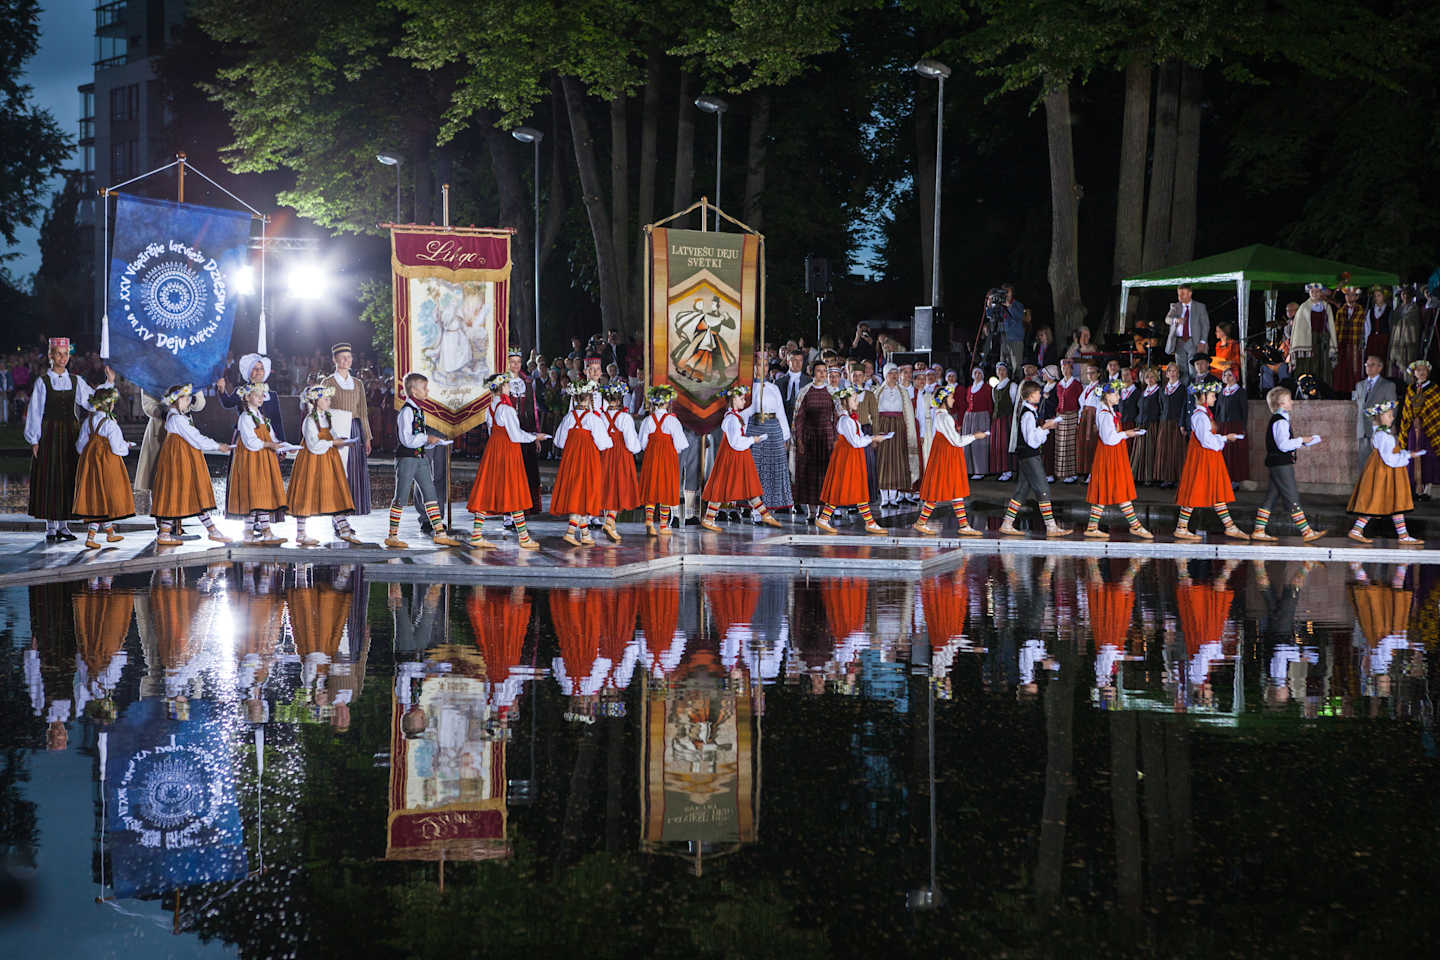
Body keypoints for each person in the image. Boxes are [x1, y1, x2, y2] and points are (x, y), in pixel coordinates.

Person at [28, 338, 112, 541]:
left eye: (65, 354)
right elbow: (35, 411)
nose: (63, 358)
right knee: (50, 476)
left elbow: (92, 402)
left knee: (67, 475)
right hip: (49, 433)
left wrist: (108, 383)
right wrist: (34, 439)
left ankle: (64, 525)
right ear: (51, 356)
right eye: (58, 354)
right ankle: (50, 525)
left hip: (70, 434)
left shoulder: (75, 381)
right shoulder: (43, 382)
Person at [465, 374, 546, 550]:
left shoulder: (490, 407)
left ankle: (477, 535)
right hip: (508, 451)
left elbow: (491, 430)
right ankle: (523, 537)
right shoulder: (506, 409)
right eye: (507, 385)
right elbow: (515, 435)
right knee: (513, 489)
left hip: (493, 451)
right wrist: (534, 436)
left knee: (488, 489)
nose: (509, 387)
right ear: (501, 388)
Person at [387, 373, 463, 550]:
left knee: (430, 494)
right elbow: (406, 439)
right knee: (401, 496)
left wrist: (430, 442)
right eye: (424, 387)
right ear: (413, 390)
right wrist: (426, 437)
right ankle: (392, 535)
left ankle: (440, 533)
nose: (427, 390)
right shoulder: (406, 411)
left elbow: (418, 440)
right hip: (406, 459)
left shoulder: (419, 410)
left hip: (420, 457)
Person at [151, 384, 234, 546]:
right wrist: (217, 446)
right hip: (181, 462)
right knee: (185, 493)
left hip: (183, 460)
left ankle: (208, 530)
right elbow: (196, 438)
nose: (188, 401)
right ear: (175, 400)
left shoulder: (176, 417)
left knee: (184, 494)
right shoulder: (177, 419)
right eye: (184, 398)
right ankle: (169, 533)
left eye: (189, 398)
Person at [288, 383, 362, 547]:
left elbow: (332, 435)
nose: (329, 401)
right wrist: (332, 442)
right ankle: (301, 534)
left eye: (329, 399)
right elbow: (313, 443)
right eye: (326, 399)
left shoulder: (326, 417)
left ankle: (344, 528)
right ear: (316, 401)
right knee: (306, 493)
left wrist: (341, 441)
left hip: (328, 460)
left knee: (333, 491)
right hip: (312, 460)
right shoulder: (309, 420)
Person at [699, 386, 782, 531]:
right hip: (732, 457)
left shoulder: (735, 417)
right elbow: (735, 442)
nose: (744, 401)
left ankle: (764, 514)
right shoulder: (732, 419)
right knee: (723, 486)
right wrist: (752, 440)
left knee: (749, 485)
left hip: (739, 456)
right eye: (742, 398)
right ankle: (709, 518)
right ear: (733, 399)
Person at [1173, 380, 1248, 541]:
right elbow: (1206, 440)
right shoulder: (1200, 416)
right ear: (1203, 397)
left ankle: (1230, 526)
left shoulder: (1205, 414)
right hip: (1203, 458)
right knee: (1195, 489)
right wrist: (1224, 439)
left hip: (1209, 457)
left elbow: (1209, 437)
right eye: (1212, 395)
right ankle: (1181, 527)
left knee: (1216, 490)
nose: (1215, 398)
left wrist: (1224, 438)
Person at [1250, 386, 1326, 543]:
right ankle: (1306, 531)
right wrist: (1303, 440)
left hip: (1277, 463)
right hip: (1281, 464)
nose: (1292, 402)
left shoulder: (1281, 419)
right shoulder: (1280, 421)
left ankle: (1259, 529)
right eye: (1289, 399)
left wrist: (1306, 441)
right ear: (1280, 403)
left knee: (1271, 496)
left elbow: (1285, 443)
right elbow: (1283, 445)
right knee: (1292, 496)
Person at [1082, 380, 1153, 540]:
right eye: (1116, 393)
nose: (1119, 396)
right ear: (1107, 396)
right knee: (1117, 488)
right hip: (1109, 454)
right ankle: (1135, 526)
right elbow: (1109, 439)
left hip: (1113, 454)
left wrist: (1128, 433)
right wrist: (1127, 434)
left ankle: (1093, 527)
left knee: (1111, 488)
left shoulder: (1109, 412)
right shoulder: (1105, 414)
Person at [998, 382, 1070, 537]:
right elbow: (1031, 440)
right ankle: (1051, 527)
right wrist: (1045, 427)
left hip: (1027, 456)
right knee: (1043, 489)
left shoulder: (1030, 412)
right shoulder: (1028, 414)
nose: (1039, 395)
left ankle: (1007, 523)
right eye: (1037, 393)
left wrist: (1045, 427)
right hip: (1029, 456)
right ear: (1030, 396)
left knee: (1022, 490)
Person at [1347, 400, 1424, 545]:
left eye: (1392, 415)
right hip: (1385, 472)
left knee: (1393, 501)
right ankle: (1357, 531)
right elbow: (1388, 458)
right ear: (1380, 417)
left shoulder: (1382, 433)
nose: (1392, 418)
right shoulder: (1383, 436)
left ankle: (1402, 535)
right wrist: (1407, 456)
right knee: (1382, 501)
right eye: (1389, 415)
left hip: (1386, 472)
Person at [913, 383, 984, 536]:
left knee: (955, 489)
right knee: (939, 489)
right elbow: (956, 441)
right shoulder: (944, 417)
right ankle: (921, 522)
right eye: (951, 398)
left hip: (948, 456)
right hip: (946, 457)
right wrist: (975, 436)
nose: (953, 400)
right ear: (944, 399)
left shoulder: (942, 416)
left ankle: (964, 525)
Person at [814, 386, 887, 535]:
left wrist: (872, 437)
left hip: (851, 457)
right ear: (845, 402)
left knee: (853, 488)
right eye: (854, 399)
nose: (857, 402)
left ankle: (825, 518)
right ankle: (869, 523)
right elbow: (856, 442)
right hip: (847, 459)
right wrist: (873, 438)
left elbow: (858, 439)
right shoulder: (846, 420)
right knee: (847, 488)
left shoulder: (850, 420)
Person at [224, 382, 289, 545]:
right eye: (257, 394)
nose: (261, 398)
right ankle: (257, 532)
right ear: (247, 397)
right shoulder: (245, 417)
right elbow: (250, 442)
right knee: (254, 494)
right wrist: (269, 445)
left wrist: (281, 446)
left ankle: (256, 532)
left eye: (262, 395)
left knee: (260, 495)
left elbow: (271, 436)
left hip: (263, 458)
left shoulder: (261, 416)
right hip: (251, 459)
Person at [551, 381, 613, 546]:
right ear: (589, 398)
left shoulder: (568, 417)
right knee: (584, 493)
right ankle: (571, 531)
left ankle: (585, 533)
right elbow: (604, 443)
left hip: (571, 461)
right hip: (588, 461)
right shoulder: (593, 419)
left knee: (577, 493)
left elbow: (559, 442)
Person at [72, 386, 134, 549]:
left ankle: (109, 533)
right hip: (106, 465)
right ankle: (92, 537)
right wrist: (126, 446)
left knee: (97, 498)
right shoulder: (110, 424)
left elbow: (80, 446)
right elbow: (117, 448)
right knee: (107, 497)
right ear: (110, 405)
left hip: (90, 465)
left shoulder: (88, 422)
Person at [321, 342, 373, 515]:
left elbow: (363, 411)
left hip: (355, 428)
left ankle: (352, 509)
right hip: (337, 430)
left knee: (354, 469)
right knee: (339, 470)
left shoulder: (357, 383)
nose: (346, 360)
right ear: (334, 359)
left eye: (349, 357)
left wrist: (367, 437)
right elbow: (323, 411)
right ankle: (338, 512)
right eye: (342, 357)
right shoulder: (328, 382)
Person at [743, 354, 794, 515]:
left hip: (773, 430)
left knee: (772, 470)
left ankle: (769, 507)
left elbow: (780, 412)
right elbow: (744, 414)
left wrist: (786, 436)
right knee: (756, 470)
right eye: (759, 364)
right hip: (755, 428)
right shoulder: (747, 388)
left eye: (766, 365)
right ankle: (756, 510)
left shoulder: (773, 388)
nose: (763, 368)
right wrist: (742, 435)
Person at [637, 385, 687, 536]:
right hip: (667, 457)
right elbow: (681, 444)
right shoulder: (672, 421)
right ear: (668, 402)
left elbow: (642, 444)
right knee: (665, 487)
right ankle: (663, 525)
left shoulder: (647, 420)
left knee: (651, 486)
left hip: (651, 457)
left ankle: (649, 521)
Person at [792, 359, 838, 521]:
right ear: (813, 373)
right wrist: (799, 441)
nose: (822, 374)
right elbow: (799, 419)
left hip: (827, 437)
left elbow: (838, 416)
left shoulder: (833, 392)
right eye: (819, 371)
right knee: (810, 475)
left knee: (826, 475)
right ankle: (812, 513)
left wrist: (836, 439)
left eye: (825, 371)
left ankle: (824, 513)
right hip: (810, 438)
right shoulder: (805, 392)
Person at [597, 381, 642, 542]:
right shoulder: (625, 417)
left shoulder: (601, 417)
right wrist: (638, 449)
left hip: (604, 454)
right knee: (618, 488)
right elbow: (632, 443)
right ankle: (609, 521)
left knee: (606, 487)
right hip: (621, 455)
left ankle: (610, 522)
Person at [216, 352, 288, 443]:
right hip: (247, 435)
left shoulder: (271, 395)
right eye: (255, 368)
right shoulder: (242, 391)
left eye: (261, 368)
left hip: (268, 436)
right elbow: (228, 403)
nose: (259, 371)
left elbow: (277, 420)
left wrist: (282, 442)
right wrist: (222, 390)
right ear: (249, 372)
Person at [873, 363, 917, 506]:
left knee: (897, 461)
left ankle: (893, 497)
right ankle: (885, 499)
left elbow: (909, 414)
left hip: (898, 427)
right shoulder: (878, 392)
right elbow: (872, 413)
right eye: (891, 373)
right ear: (885, 375)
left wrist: (910, 433)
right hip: (883, 426)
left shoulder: (903, 392)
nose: (894, 376)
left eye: (896, 373)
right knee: (883, 461)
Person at [1397, 359, 1440, 500]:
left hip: (1429, 429)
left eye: (1424, 370)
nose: (1421, 373)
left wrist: (1422, 420)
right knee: (1412, 455)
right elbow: (1406, 409)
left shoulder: (1434, 389)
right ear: (1414, 373)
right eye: (1418, 370)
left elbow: (1435, 409)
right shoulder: (1410, 389)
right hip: (1412, 429)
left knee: (1428, 457)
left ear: (1428, 372)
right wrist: (1412, 421)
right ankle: (1415, 488)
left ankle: (1427, 490)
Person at [1353, 354, 1396, 473]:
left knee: (1379, 466)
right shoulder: (1360, 385)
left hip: (1378, 431)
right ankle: (1363, 490)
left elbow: (1391, 407)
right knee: (1363, 465)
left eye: (1372, 365)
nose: (1368, 367)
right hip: (1362, 431)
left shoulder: (1388, 385)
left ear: (1380, 367)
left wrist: (1384, 426)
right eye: (1367, 365)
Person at [1290, 282, 1337, 390]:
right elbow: (1299, 328)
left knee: (1323, 366)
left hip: (1323, 340)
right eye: (1312, 291)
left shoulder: (1326, 307)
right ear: (1309, 292)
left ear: (1321, 293)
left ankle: (1324, 390)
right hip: (1308, 341)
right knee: (1310, 366)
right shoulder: (1303, 308)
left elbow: (1330, 325)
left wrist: (1330, 342)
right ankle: (1308, 389)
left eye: (1317, 291)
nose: (1315, 294)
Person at [1164, 283, 1210, 383]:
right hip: (1179, 341)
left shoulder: (1200, 307)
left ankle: (1195, 393)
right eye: (1179, 294)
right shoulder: (1175, 306)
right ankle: (1184, 394)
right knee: (1181, 370)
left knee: (1194, 369)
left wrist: (1202, 342)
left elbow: (1205, 326)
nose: (1180, 297)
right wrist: (1176, 320)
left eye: (1183, 294)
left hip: (1193, 341)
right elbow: (1167, 319)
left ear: (1190, 293)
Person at [1154, 362, 1187, 488]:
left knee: (1177, 450)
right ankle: (1166, 478)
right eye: (1170, 371)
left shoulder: (1183, 389)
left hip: (1177, 423)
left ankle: (1178, 478)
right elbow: (1161, 407)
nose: (1172, 373)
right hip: (1164, 423)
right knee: (1165, 450)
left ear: (1178, 374)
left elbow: (1184, 407)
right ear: (1166, 374)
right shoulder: (1162, 390)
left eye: (1175, 371)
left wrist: (1182, 423)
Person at [1215, 367, 1249, 483]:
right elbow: (1218, 411)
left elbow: (1244, 411)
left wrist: (1243, 427)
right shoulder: (1221, 392)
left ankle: (1234, 480)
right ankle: (1223, 478)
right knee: (1223, 452)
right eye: (1225, 375)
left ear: (1235, 377)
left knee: (1234, 453)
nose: (1227, 378)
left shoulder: (1240, 392)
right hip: (1223, 426)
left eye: (1230, 375)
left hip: (1235, 426)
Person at [1129, 368, 1161, 485]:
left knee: (1149, 450)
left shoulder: (1158, 391)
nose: (1150, 379)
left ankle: (1148, 477)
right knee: (1139, 450)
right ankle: (1137, 476)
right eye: (1147, 377)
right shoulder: (1144, 392)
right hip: (1140, 423)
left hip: (1151, 424)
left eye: (1152, 377)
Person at [1333, 285, 1368, 395]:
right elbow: (1336, 328)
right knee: (1341, 369)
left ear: (1357, 297)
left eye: (1352, 295)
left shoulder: (1362, 311)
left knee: (1354, 368)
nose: (1349, 297)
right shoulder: (1340, 311)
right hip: (1342, 343)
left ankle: (1354, 391)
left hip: (1355, 344)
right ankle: (1340, 391)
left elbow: (1365, 328)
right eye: (1347, 295)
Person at [961, 366, 993, 478]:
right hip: (969, 416)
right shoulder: (970, 388)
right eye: (975, 373)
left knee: (979, 444)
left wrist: (989, 417)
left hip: (981, 416)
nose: (977, 375)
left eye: (979, 373)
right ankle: (969, 469)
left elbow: (990, 403)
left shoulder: (987, 388)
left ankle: (980, 470)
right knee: (968, 442)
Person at [990, 361, 1019, 482]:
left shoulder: (1012, 386)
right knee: (998, 445)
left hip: (1007, 419)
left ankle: (1009, 470)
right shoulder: (995, 388)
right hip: (997, 420)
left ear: (1007, 372)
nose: (1001, 372)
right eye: (999, 370)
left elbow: (1014, 403)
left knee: (1007, 444)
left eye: (1003, 370)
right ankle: (1001, 469)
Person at [1054, 358, 1082, 482]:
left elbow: (1080, 402)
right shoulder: (1059, 384)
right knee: (1061, 444)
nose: (1065, 370)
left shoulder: (1076, 384)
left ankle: (1072, 473)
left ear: (1071, 369)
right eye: (1063, 368)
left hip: (1072, 415)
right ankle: (1062, 472)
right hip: (1061, 416)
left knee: (1071, 444)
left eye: (1067, 368)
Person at [1075, 361, 1102, 483]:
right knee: (1085, 445)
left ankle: (1094, 472)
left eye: (1092, 373)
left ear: (1098, 374)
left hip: (1093, 417)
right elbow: (1082, 404)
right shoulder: (1088, 387)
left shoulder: (1099, 388)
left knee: (1093, 445)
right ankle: (1086, 471)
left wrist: (1097, 422)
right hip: (1085, 417)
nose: (1090, 375)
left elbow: (1099, 405)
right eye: (1088, 373)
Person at [1389, 287, 1421, 378]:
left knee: (1408, 361)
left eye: (1408, 294)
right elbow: (1393, 323)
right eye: (1403, 294)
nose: (1406, 296)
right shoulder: (1397, 309)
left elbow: (1414, 323)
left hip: (1409, 340)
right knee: (1395, 363)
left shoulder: (1414, 308)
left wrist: (1403, 322)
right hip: (1396, 340)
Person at [1000, 284, 1026, 373]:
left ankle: (1017, 384)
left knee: (1017, 367)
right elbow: (991, 316)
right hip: (1004, 339)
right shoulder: (1001, 306)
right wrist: (989, 305)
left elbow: (1019, 316)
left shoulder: (1018, 305)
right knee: (1003, 366)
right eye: (1004, 292)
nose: (1006, 294)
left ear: (1012, 293)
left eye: (1008, 291)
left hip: (1016, 339)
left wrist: (1009, 306)